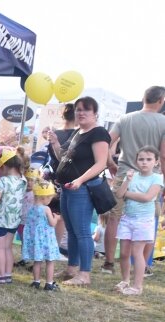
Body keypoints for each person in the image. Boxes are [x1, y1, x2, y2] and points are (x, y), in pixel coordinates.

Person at [49, 96, 111, 286]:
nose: (81, 113)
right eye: (78, 109)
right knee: (72, 230)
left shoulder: (98, 133)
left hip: (82, 189)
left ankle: (84, 274)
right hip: (68, 188)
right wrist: (54, 143)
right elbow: (63, 158)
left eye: (86, 110)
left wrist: (80, 180)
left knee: (82, 231)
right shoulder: (77, 133)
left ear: (95, 114)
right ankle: (72, 268)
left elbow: (102, 163)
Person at [104, 86, 165, 275]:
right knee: (150, 219)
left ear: (143, 98)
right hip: (151, 177)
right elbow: (163, 155)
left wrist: (110, 164)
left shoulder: (125, 118)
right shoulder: (164, 121)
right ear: (161, 100)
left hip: (124, 172)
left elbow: (105, 142)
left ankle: (108, 263)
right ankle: (144, 265)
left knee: (114, 218)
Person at [114, 146, 164, 295]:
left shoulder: (157, 178)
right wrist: (127, 182)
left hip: (144, 220)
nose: (144, 162)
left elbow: (147, 197)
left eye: (149, 159)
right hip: (127, 218)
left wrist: (127, 194)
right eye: (141, 159)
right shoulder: (131, 175)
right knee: (123, 253)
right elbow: (118, 194)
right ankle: (125, 280)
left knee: (137, 253)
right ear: (136, 161)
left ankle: (137, 286)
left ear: (155, 162)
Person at [0, 148, 27, 283]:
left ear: (3, 167)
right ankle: (8, 274)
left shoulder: (3, 181)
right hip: (13, 220)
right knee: (8, 247)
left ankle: (0, 275)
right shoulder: (23, 181)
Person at [21, 181, 62, 291]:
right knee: (50, 262)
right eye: (50, 198)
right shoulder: (46, 209)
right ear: (45, 197)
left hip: (36, 241)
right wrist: (57, 218)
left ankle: (36, 281)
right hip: (47, 240)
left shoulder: (31, 208)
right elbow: (52, 223)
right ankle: (49, 283)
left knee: (37, 262)